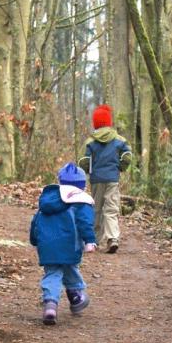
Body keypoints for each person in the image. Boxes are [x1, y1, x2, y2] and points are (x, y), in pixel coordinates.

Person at [29, 162, 97, 325]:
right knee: (69, 268)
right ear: (82, 184)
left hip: (47, 246)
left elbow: (36, 221)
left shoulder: (48, 199)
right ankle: (75, 296)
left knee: (52, 273)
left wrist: (34, 239)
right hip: (69, 244)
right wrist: (90, 241)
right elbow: (84, 222)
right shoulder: (81, 200)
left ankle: (50, 306)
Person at [79, 104, 132, 253]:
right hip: (112, 179)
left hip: (96, 179)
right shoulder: (119, 140)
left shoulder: (90, 141)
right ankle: (112, 238)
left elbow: (84, 160)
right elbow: (127, 156)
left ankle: (93, 240)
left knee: (96, 209)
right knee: (111, 208)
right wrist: (120, 167)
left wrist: (87, 171)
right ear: (109, 122)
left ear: (95, 123)